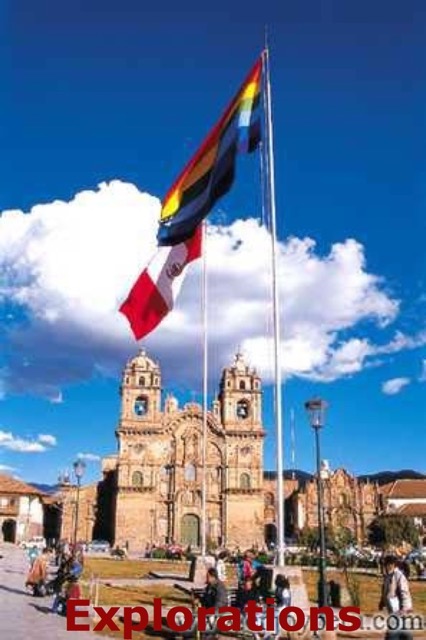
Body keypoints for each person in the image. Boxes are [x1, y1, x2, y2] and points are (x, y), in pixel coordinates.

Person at [379, 555, 413, 640]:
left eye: (386, 564)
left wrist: (404, 609)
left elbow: (404, 593)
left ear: (392, 564)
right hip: (394, 609)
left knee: (392, 634)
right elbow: (386, 591)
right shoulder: (388, 576)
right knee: (404, 632)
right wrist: (382, 602)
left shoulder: (399, 576)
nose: (384, 566)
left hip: (400, 609)